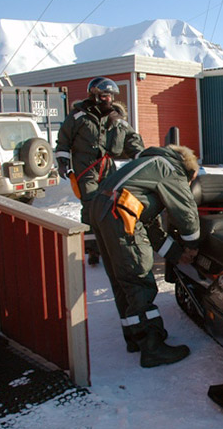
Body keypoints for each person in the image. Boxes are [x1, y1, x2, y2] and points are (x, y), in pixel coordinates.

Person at [89, 144, 200, 367]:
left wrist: (177, 254)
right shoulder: (170, 169)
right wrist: (193, 243)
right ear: (188, 171)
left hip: (103, 210)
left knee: (122, 279)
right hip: (119, 213)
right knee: (138, 275)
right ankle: (152, 346)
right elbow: (186, 211)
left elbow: (150, 225)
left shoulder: (148, 167)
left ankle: (134, 336)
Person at [55, 77, 145, 264]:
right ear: (94, 95)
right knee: (90, 205)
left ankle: (111, 243)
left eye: (111, 96)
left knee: (111, 204)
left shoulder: (118, 120)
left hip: (108, 168)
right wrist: (63, 161)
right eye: (104, 95)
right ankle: (92, 248)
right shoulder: (78, 116)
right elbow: (63, 140)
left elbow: (132, 140)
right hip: (85, 168)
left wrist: (141, 158)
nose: (108, 99)